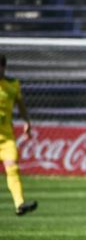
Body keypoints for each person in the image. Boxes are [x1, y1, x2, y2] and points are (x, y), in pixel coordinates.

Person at [0, 54, 37, 216]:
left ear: (4, 67)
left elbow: (20, 105)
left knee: (13, 169)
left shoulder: (13, 84)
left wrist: (26, 121)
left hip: (6, 139)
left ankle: (20, 204)